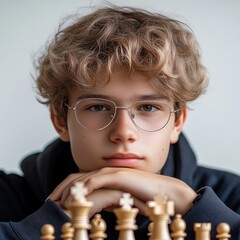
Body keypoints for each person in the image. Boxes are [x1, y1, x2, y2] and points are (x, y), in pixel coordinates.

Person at [1, 5, 240, 240]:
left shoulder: (231, 195)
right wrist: (52, 222)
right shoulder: (8, 197)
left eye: (148, 107)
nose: (123, 132)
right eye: (98, 107)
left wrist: (195, 209)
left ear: (177, 122)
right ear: (60, 120)